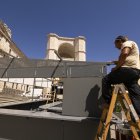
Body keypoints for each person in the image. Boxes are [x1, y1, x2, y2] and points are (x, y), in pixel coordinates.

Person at [102, 35, 140, 115]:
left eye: (116, 45)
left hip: (127, 70)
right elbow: (126, 58)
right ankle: (138, 113)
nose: (116, 47)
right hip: (135, 72)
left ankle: (107, 102)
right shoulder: (133, 47)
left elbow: (124, 54)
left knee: (106, 79)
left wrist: (116, 67)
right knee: (135, 94)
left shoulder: (127, 43)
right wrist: (114, 62)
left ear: (119, 41)